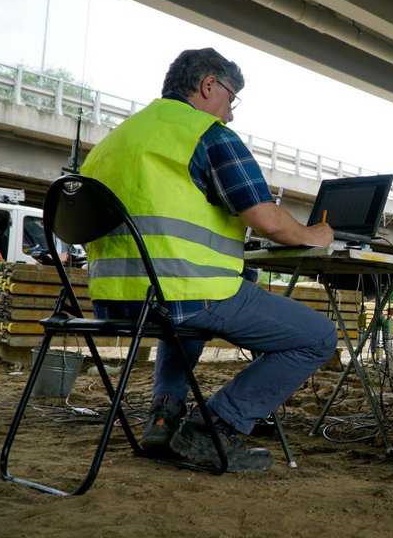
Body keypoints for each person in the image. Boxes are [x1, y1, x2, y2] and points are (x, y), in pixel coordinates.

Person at [80, 48, 337, 472]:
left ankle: (164, 415)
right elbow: (267, 219)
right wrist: (316, 234)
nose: (231, 114)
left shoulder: (113, 141)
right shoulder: (207, 135)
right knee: (318, 337)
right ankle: (212, 427)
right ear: (208, 85)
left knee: (184, 319)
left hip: (116, 300)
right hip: (184, 292)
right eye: (231, 99)